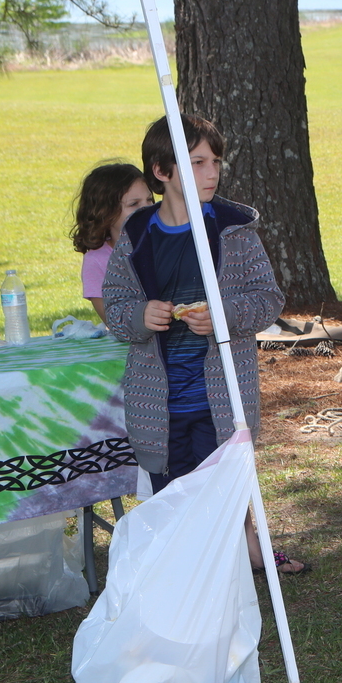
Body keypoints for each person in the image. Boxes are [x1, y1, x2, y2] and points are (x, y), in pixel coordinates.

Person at [102, 115, 308, 576]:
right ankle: (188, 581)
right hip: (161, 406)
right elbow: (116, 305)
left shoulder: (235, 231)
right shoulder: (138, 237)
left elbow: (268, 299)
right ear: (162, 171)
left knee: (223, 494)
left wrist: (224, 317)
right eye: (196, 162)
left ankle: (232, 570)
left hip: (221, 401)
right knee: (176, 499)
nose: (212, 173)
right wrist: (141, 316)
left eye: (215, 161)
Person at [72, 162, 154, 323]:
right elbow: (113, 321)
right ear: (105, 213)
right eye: (134, 204)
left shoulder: (166, 244)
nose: (147, 209)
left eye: (149, 200)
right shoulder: (96, 260)